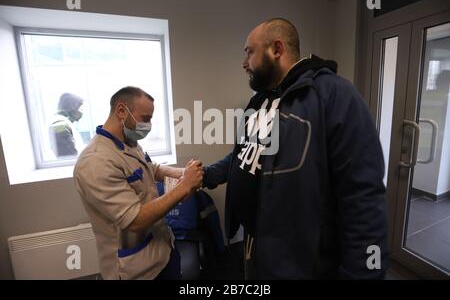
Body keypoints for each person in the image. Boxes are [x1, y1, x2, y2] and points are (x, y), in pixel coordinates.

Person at [202, 18, 389, 279]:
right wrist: (205, 175)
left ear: (276, 49)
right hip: (255, 245)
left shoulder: (335, 95)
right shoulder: (261, 100)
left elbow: (363, 199)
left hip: (300, 263)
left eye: (249, 52)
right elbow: (244, 154)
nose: (244, 63)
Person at [74, 86, 203, 280]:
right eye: (145, 118)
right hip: (137, 269)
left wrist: (183, 173)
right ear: (121, 111)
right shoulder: (95, 162)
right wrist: (184, 186)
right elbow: (134, 220)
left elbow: (150, 169)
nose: (148, 125)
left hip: (163, 251)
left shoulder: (129, 143)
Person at [49, 93, 85, 157]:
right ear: (72, 107)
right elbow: (68, 155)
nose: (82, 113)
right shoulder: (59, 124)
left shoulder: (64, 122)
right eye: (81, 109)